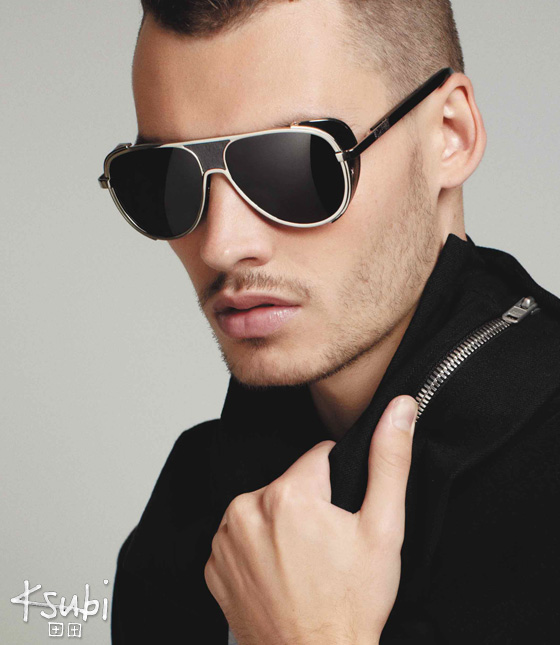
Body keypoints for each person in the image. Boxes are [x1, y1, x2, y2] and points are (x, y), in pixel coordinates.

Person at [100, 1, 560, 643]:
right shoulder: (193, 511)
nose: (221, 245)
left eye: (294, 165)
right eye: (167, 179)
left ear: (449, 135)